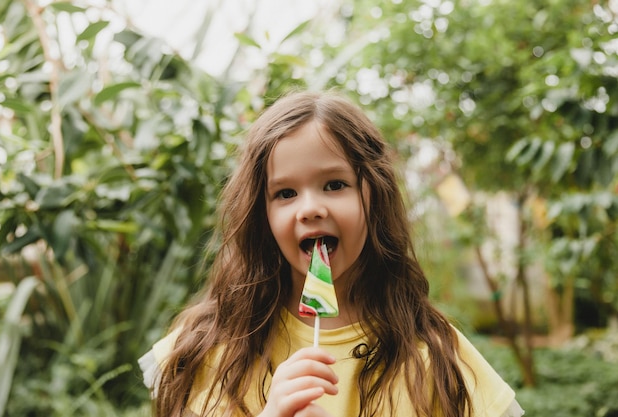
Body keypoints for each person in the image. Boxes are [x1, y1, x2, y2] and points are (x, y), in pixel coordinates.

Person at [139, 90, 525, 417]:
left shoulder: (433, 356)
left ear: (373, 195)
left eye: (334, 184)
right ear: (263, 214)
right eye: (285, 193)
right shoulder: (215, 344)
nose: (309, 208)